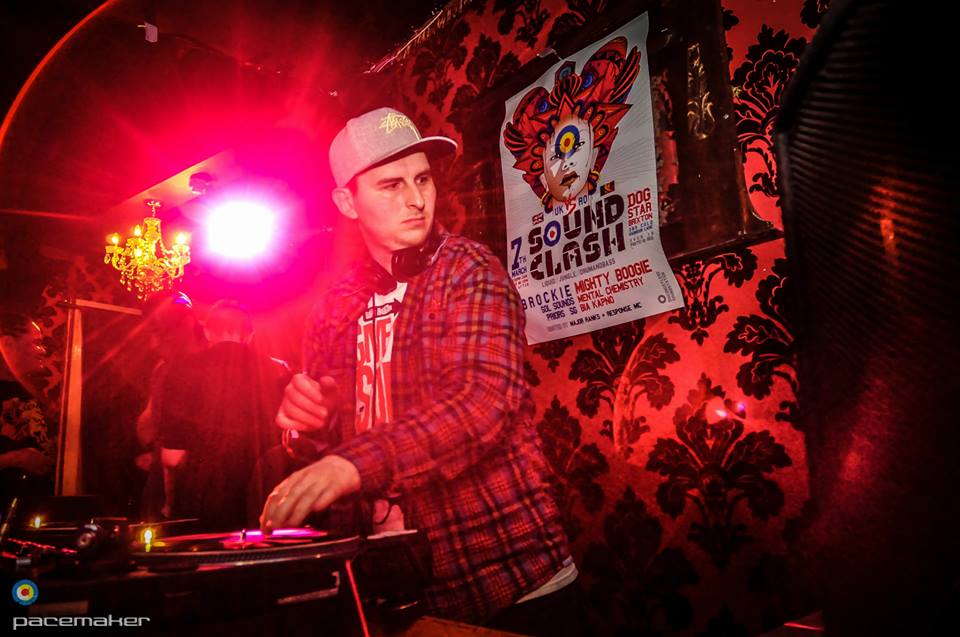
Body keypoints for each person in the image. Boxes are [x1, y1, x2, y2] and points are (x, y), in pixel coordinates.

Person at [259, 107, 578, 631]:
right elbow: (320, 444)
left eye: (422, 179)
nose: (416, 199)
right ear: (347, 202)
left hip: (504, 573)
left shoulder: (469, 270)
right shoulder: (334, 305)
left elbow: (481, 404)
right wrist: (307, 426)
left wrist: (350, 465)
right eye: (391, 185)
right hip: (386, 583)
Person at [159, 300, 289, 529]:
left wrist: (169, 504)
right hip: (262, 499)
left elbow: (172, 458)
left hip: (201, 503)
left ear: (207, 332)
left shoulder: (181, 370)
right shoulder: (277, 372)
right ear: (250, 335)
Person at [0, 312, 54, 512]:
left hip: (31, 514)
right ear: (8, 344)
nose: (43, 351)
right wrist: (14, 459)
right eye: (36, 343)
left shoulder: (31, 392)